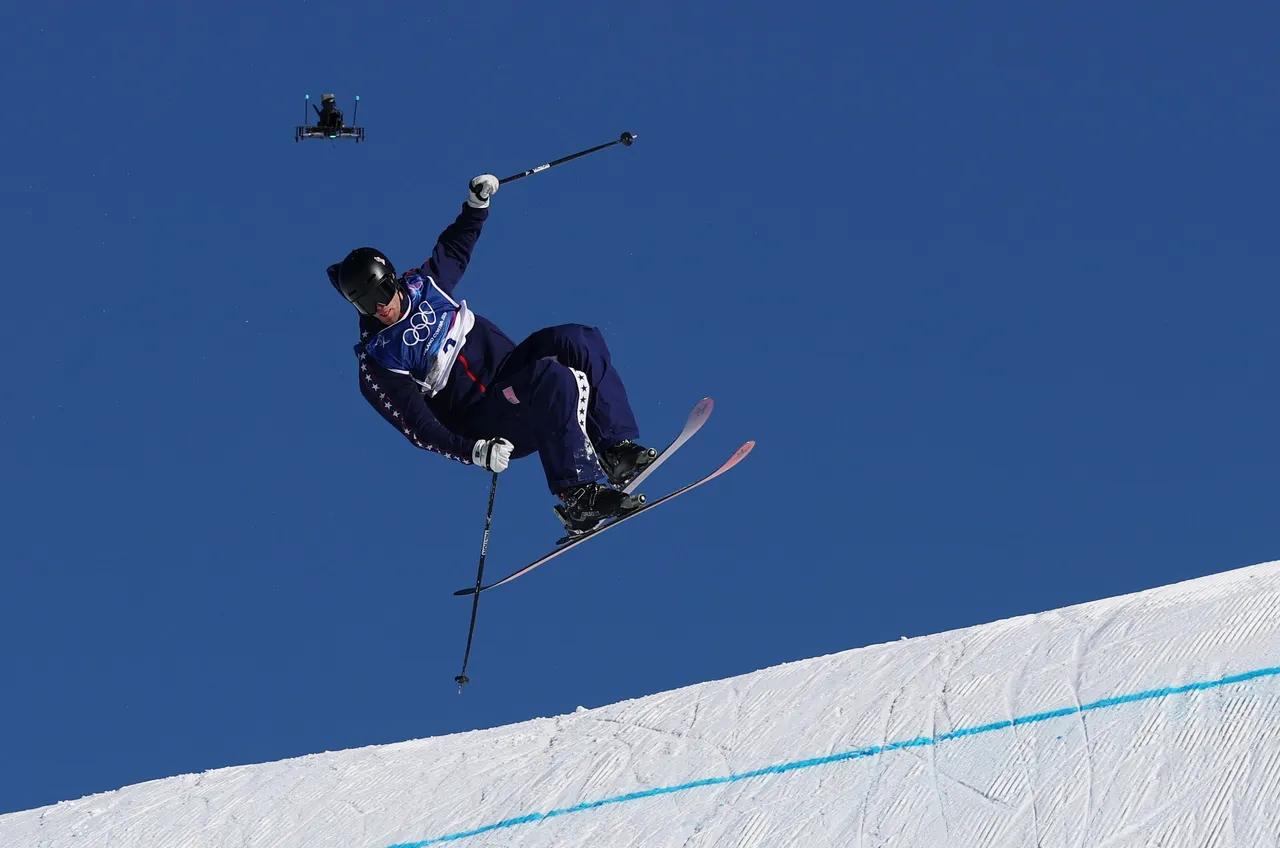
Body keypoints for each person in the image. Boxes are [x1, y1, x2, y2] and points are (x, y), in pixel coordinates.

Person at [328, 174, 657, 536]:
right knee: (553, 377)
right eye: (364, 303)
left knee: (578, 339)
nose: (379, 307)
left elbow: (454, 249)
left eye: (383, 292)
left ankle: (614, 449)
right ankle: (578, 495)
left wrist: (476, 205)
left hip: (510, 371)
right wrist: (474, 451)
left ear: (393, 278)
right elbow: (417, 427)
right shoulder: (379, 358)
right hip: (485, 417)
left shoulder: (425, 284)